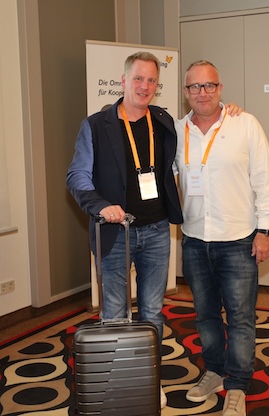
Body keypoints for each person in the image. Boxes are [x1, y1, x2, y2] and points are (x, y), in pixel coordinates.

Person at [66, 51, 183, 408]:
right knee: (115, 314)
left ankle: (148, 380)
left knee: (152, 313)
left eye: (151, 80)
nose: (145, 86)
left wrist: (227, 110)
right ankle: (119, 385)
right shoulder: (96, 125)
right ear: (123, 81)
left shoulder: (163, 121)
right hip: (115, 233)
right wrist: (100, 205)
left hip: (158, 230)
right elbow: (77, 177)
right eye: (138, 79)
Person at [173, 60, 269, 416]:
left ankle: (237, 386)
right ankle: (215, 372)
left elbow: (265, 179)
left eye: (209, 85)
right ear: (185, 92)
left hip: (238, 239)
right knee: (205, 315)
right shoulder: (176, 131)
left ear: (220, 88)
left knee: (240, 318)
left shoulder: (245, 124)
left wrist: (265, 230)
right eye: (194, 86)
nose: (202, 92)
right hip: (194, 239)